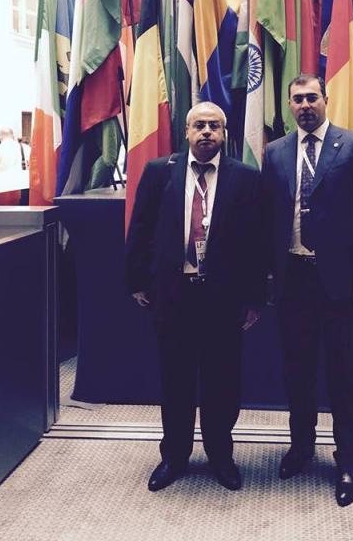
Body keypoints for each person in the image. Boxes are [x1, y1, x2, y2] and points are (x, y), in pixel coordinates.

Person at [126, 102, 265, 493]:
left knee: (223, 381)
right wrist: (137, 280)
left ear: (224, 133)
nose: (206, 132)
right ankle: (174, 456)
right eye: (199, 125)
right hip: (174, 295)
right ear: (186, 131)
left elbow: (256, 242)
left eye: (214, 126)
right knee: (175, 380)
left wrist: (255, 298)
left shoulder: (245, 177)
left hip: (222, 299)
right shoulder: (159, 171)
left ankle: (221, 456)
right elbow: (140, 228)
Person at [261, 74, 353, 507]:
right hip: (292, 278)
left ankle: (348, 461)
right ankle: (301, 447)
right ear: (289, 105)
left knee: (343, 374)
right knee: (297, 370)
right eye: (297, 99)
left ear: (326, 100)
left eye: (312, 97)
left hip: (338, 281)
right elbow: (268, 218)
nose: (305, 105)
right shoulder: (275, 152)